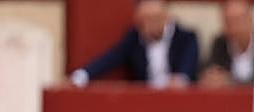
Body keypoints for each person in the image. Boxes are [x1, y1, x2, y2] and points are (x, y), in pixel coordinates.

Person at [69, 0, 199, 88]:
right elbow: (110, 58)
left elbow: (186, 72)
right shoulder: (134, 38)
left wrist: (179, 81)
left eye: (154, 19)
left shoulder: (187, 38)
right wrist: (79, 77)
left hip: (177, 104)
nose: (148, 26)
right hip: (144, 105)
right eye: (144, 21)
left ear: (166, 17)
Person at [201, 0, 254, 87]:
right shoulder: (219, 44)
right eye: (228, 22)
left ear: (251, 19)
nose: (233, 27)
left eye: (237, 20)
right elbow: (211, 73)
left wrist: (231, 83)